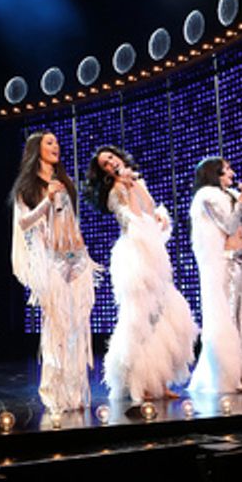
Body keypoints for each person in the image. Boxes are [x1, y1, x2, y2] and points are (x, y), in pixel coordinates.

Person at [85, 146, 198, 402]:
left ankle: (160, 381)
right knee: (141, 318)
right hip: (135, 256)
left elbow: (150, 209)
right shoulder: (115, 192)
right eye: (105, 164)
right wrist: (126, 187)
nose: (111, 163)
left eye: (111, 157)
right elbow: (134, 219)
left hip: (154, 253)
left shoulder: (137, 182)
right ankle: (138, 383)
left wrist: (156, 214)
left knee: (165, 315)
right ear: (104, 173)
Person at [10, 131, 101, 414]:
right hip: (51, 261)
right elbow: (24, 223)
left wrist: (81, 247)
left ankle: (75, 394)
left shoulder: (65, 182)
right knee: (57, 328)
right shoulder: (27, 187)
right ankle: (54, 394)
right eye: (49, 143)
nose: (56, 146)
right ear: (36, 149)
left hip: (77, 258)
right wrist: (47, 200)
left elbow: (70, 219)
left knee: (77, 328)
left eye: (57, 143)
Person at [186, 157, 242, 393]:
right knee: (230, 317)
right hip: (226, 263)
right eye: (227, 169)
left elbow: (240, 228)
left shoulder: (230, 195)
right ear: (215, 173)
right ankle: (236, 376)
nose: (232, 173)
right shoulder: (206, 197)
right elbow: (228, 226)